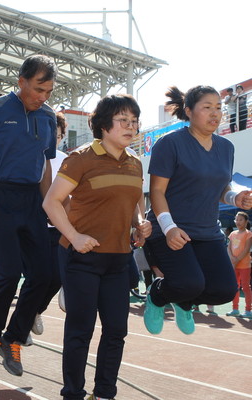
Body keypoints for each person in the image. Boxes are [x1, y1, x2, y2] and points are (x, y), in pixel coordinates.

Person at [44, 94, 150, 400]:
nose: (131, 126)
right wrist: (75, 237)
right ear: (104, 125)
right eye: (123, 120)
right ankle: (73, 394)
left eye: (134, 120)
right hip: (81, 257)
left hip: (119, 258)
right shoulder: (81, 159)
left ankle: (104, 393)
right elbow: (50, 202)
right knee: (81, 331)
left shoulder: (136, 163)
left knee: (117, 331)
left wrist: (140, 223)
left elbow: (133, 203)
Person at [0, 55, 58, 377]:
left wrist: (49, 204)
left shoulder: (47, 116)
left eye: (48, 91)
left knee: (45, 275)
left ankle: (12, 339)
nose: (43, 97)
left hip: (32, 200)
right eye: (38, 89)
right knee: (7, 271)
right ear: (21, 82)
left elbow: (45, 163)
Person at [144, 85, 252, 337]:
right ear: (189, 111)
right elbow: (157, 191)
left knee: (224, 290)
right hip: (169, 229)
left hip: (207, 232)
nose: (215, 113)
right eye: (207, 107)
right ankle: (158, 295)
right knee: (189, 282)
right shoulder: (169, 144)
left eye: (219, 108)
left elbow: (221, 184)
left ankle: (183, 301)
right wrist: (169, 228)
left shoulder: (226, 147)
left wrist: (236, 197)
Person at [31, 111, 68, 337]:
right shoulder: (31, 156)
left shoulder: (68, 160)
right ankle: (21, 319)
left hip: (59, 228)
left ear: (62, 136)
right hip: (33, 226)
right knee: (37, 276)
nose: (52, 139)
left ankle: (36, 311)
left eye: (57, 135)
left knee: (56, 276)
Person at [226, 211, 252, 317]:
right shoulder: (232, 234)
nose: (238, 222)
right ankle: (235, 309)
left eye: (241, 220)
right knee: (234, 287)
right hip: (234, 266)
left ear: (246, 222)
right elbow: (229, 247)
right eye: (236, 219)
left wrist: (236, 261)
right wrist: (232, 259)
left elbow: (246, 250)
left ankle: (248, 310)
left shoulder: (248, 234)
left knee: (245, 287)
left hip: (245, 265)